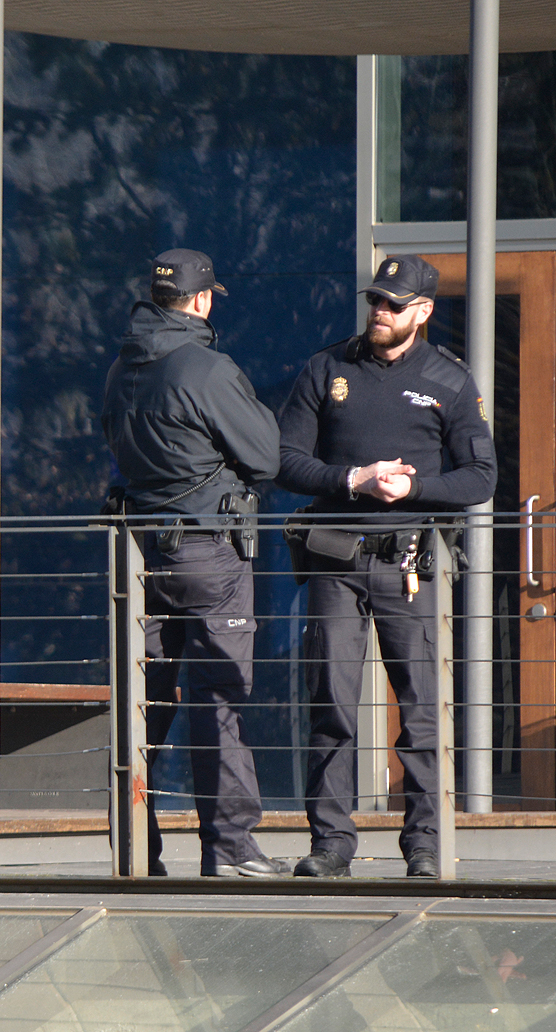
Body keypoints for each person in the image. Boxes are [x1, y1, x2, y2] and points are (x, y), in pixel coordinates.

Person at [276, 254, 496, 878]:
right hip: (335, 559)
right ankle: (330, 846)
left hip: (410, 564)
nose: (380, 311)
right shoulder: (326, 368)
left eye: (394, 304)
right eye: (375, 299)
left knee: (421, 708)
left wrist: (413, 488)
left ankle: (424, 846)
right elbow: (282, 459)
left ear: (422, 312)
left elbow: (481, 477)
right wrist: (354, 479)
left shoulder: (451, 379)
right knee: (332, 703)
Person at [101, 248, 288, 878]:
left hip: (138, 555)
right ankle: (229, 850)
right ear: (203, 299)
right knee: (219, 698)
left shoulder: (122, 366)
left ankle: (135, 851)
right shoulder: (207, 368)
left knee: (141, 705)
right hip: (208, 552)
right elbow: (265, 456)